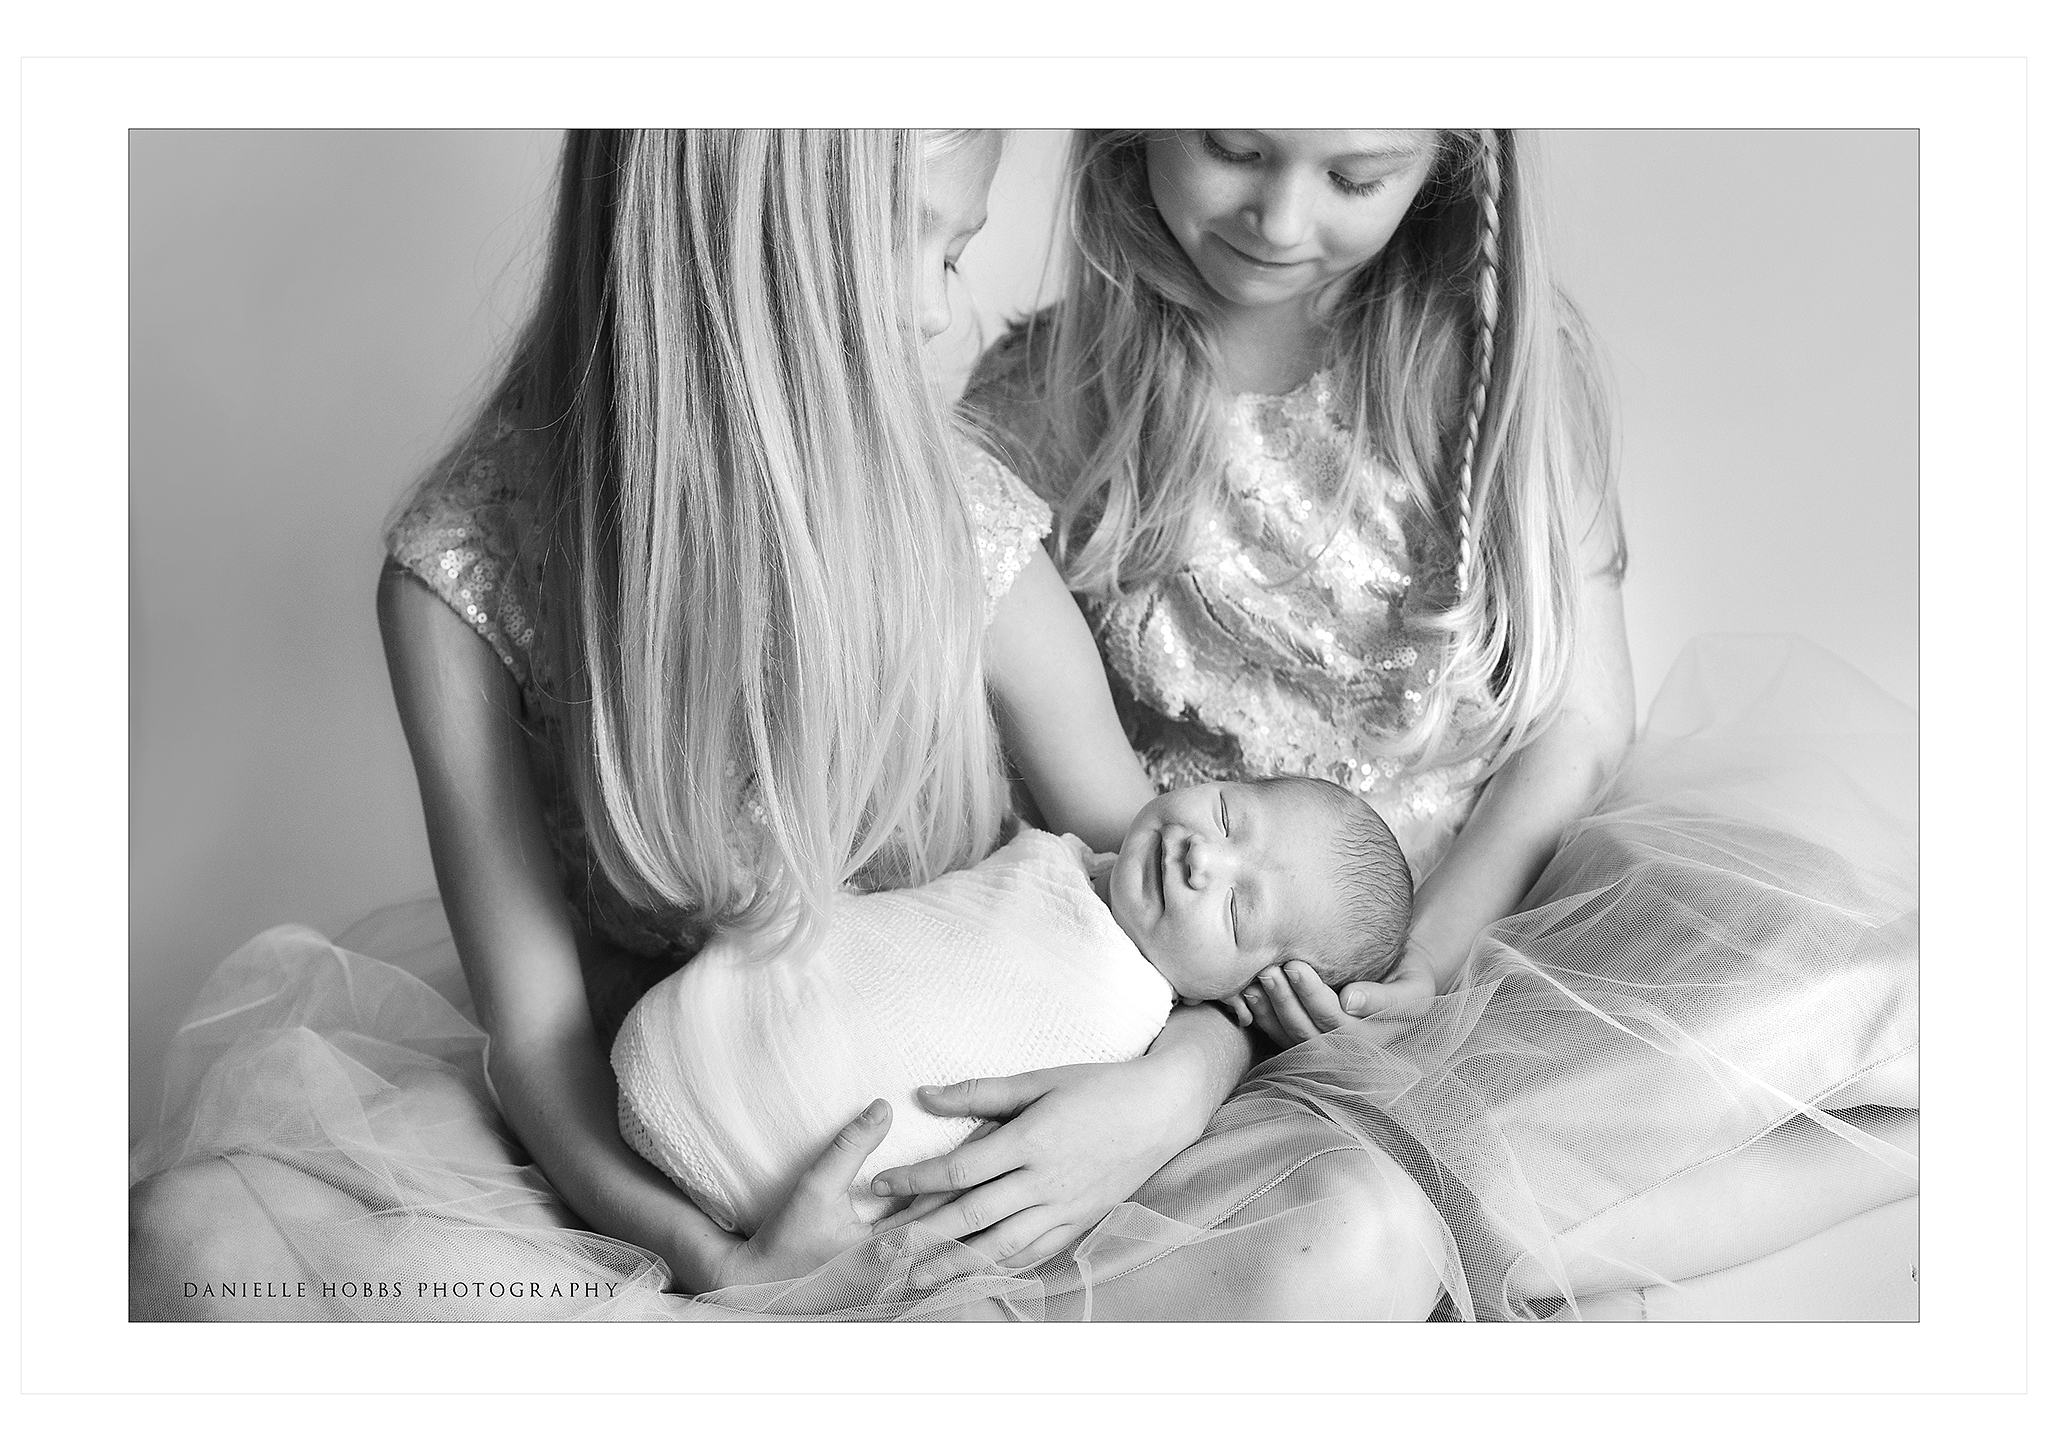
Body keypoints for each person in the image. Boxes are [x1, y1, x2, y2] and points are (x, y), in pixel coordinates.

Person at [128, 128, 1451, 1322]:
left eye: (964, 246)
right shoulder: (462, 576)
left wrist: (1173, 1087)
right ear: (739, 259)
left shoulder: (959, 523)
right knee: (193, 1231)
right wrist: (721, 1261)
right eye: (917, 243)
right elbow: (537, 1039)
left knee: (1362, 1237)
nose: (947, 307)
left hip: (971, 1157)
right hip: (684, 1137)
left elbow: (1157, 878)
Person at [955, 129, 1918, 1318]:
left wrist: (1429, 958)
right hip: (1192, 963)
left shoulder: (1482, 358)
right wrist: (1204, 1030)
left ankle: (1463, 1226)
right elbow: (1036, 790)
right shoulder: (1043, 394)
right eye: (1232, 149)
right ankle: (1460, 1235)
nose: (1279, 217)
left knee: (1910, 991)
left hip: (1477, 931)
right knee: (1342, 1221)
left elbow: (1577, 725)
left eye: (1353, 178)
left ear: (1445, 161)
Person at [613, 777, 1411, 1237]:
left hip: (782, 1187)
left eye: (1239, 909)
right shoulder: (1048, 853)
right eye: (1232, 814)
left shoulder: (1131, 1045)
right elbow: (910, 933)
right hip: (689, 1035)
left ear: (1250, 993)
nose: (1206, 855)